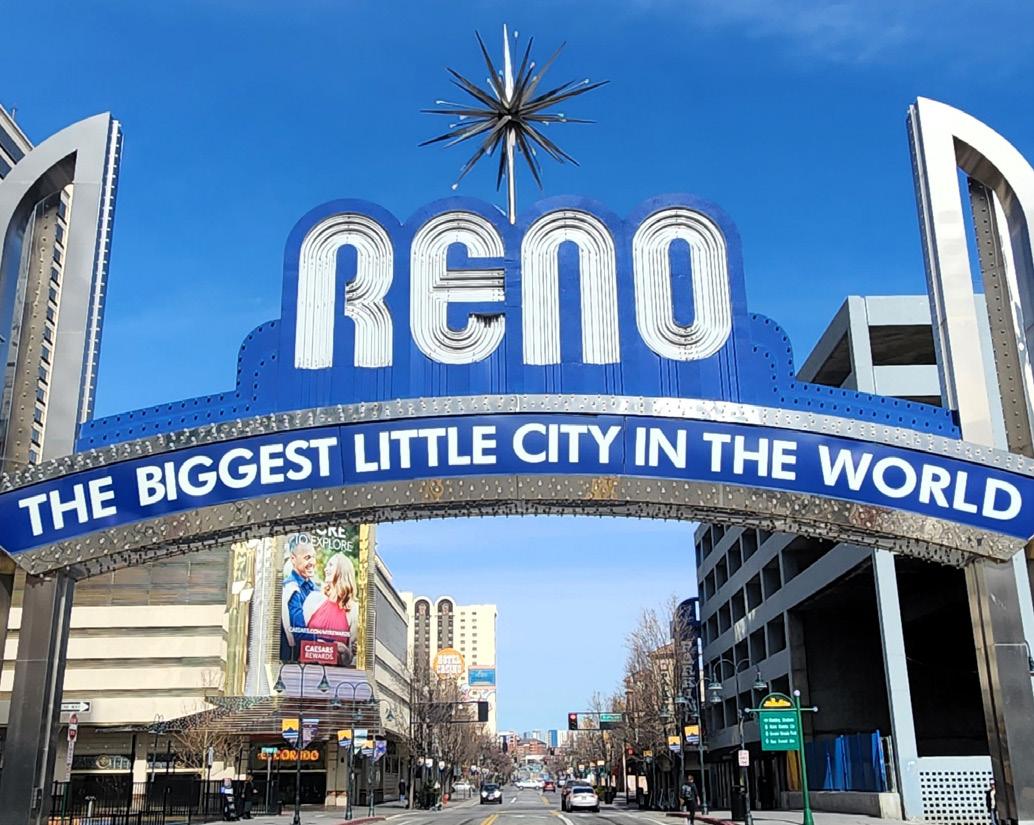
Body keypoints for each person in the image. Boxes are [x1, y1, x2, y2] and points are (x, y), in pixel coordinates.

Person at [302, 552, 360, 666]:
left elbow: (352, 658)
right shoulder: (313, 598)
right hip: (305, 670)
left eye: (331, 565)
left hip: (335, 673)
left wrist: (344, 651)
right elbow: (298, 637)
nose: (325, 569)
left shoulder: (353, 610)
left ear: (342, 570)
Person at [280, 533, 320, 660]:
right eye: (307, 558)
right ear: (293, 559)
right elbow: (299, 633)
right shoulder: (290, 589)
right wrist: (331, 642)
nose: (312, 562)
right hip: (293, 664)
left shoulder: (316, 588)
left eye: (313, 557)